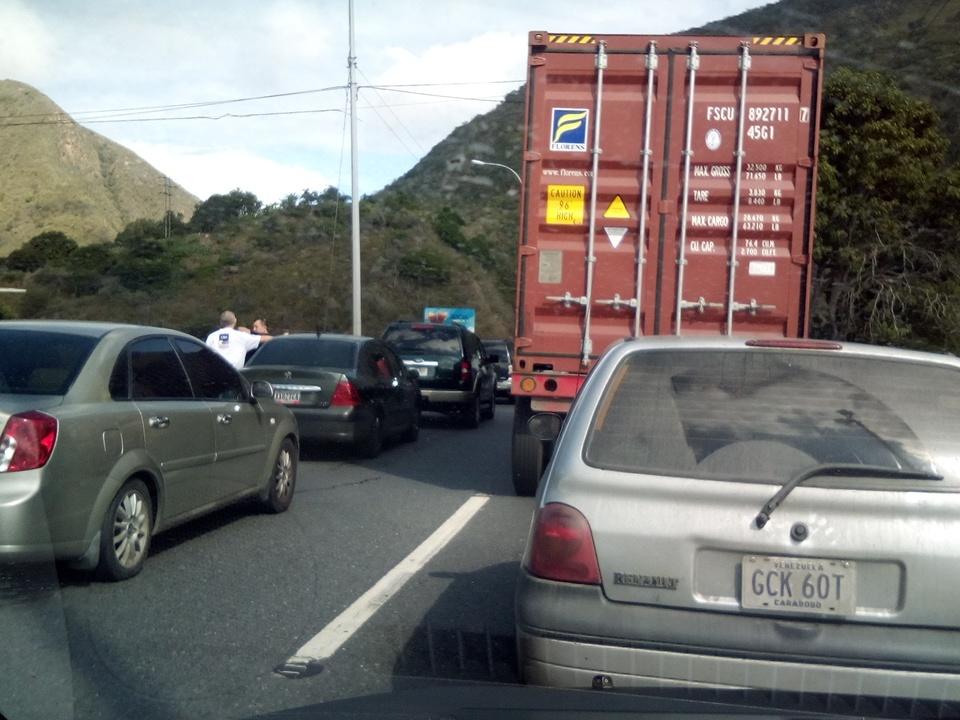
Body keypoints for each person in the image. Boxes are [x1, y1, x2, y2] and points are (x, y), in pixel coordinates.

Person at [205, 310, 272, 369]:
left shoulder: (211, 337)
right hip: (235, 376)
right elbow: (264, 339)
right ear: (235, 321)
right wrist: (280, 338)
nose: (254, 329)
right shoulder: (241, 336)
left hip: (215, 375)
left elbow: (206, 356)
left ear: (221, 322)